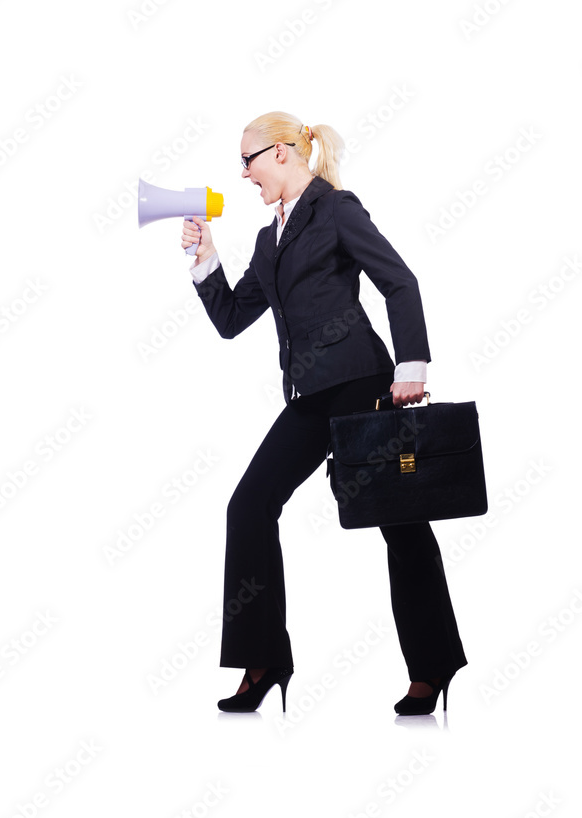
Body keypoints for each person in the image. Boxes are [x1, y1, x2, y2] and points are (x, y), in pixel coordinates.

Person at [179, 111, 466, 716]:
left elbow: (399, 281)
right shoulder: (268, 240)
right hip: (310, 396)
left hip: (364, 384)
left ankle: (433, 666)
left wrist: (411, 368)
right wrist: (204, 258)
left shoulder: (335, 208)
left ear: (281, 153)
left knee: (401, 524)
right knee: (249, 505)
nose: (244, 175)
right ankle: (264, 661)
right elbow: (231, 319)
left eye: (248, 161)